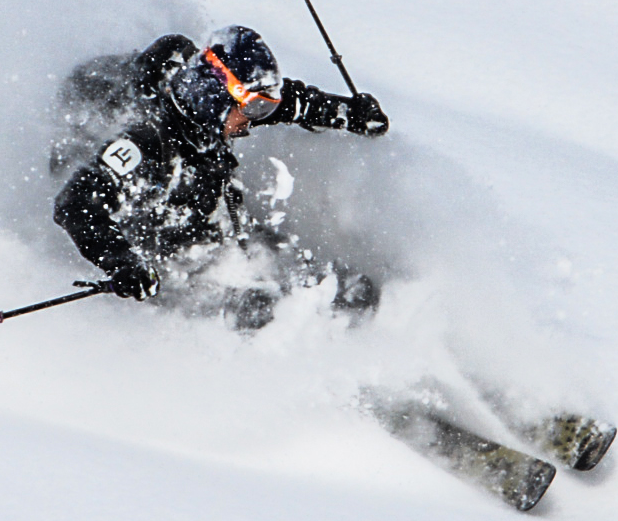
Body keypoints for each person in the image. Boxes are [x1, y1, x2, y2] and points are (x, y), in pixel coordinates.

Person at [51, 25, 389, 330]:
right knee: (259, 310)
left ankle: (318, 293)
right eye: (254, 109)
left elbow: (287, 103)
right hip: (170, 261)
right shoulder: (146, 141)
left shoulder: (204, 107)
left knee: (277, 256)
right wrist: (122, 262)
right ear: (213, 98)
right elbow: (75, 203)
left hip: (216, 226)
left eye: (262, 108)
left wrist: (344, 113)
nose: (255, 119)